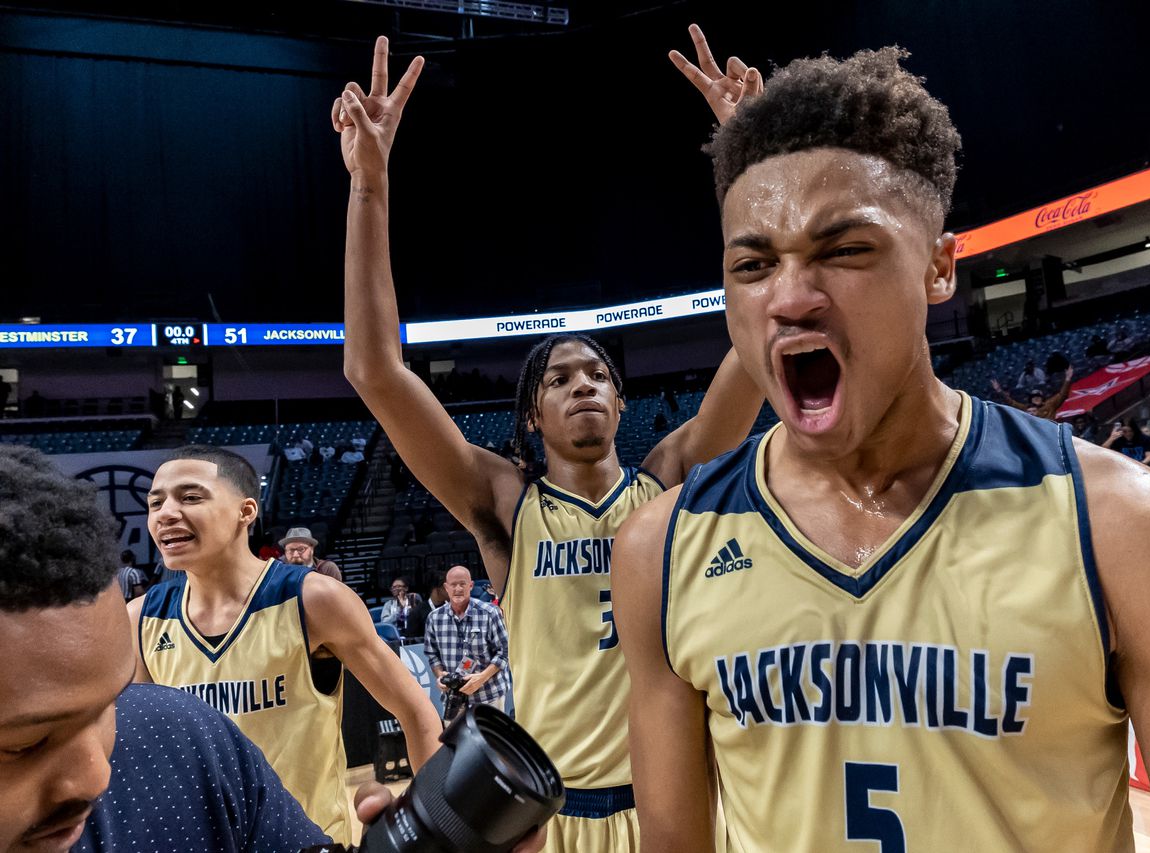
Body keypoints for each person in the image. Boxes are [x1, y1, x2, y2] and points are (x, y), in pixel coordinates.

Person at [611, 42, 1150, 852]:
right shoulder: (662, 551)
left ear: (938, 266)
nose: (788, 296)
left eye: (844, 249)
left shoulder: (1130, 530)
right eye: (753, 263)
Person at [335, 31, 763, 851]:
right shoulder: (507, 502)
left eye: (598, 373)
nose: (583, 385)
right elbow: (374, 370)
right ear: (532, 414)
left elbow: (755, 337)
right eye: (560, 378)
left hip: (670, 806)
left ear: (623, 396)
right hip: (545, 817)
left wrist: (747, 153)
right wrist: (371, 185)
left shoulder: (667, 477)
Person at [0, 445, 328, 853]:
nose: (99, 778)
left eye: (108, 709)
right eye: (24, 744)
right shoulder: (142, 615)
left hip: (301, 818)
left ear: (246, 512)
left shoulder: (191, 735)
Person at [128, 445, 443, 846]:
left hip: (306, 840)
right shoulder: (141, 618)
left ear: (246, 512)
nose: (166, 513)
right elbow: (143, 754)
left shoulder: (314, 600)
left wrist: (441, 824)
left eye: (190, 497)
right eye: (156, 503)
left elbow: (414, 709)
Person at [425, 566, 511, 720]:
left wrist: (482, 677)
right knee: (456, 744)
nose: (458, 589)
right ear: (446, 587)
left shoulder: (490, 613)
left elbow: (504, 652)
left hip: (489, 696)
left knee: (489, 744)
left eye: (462, 584)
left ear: (471, 586)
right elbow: (432, 655)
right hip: (453, 700)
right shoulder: (434, 618)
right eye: (453, 584)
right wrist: (440, 675)